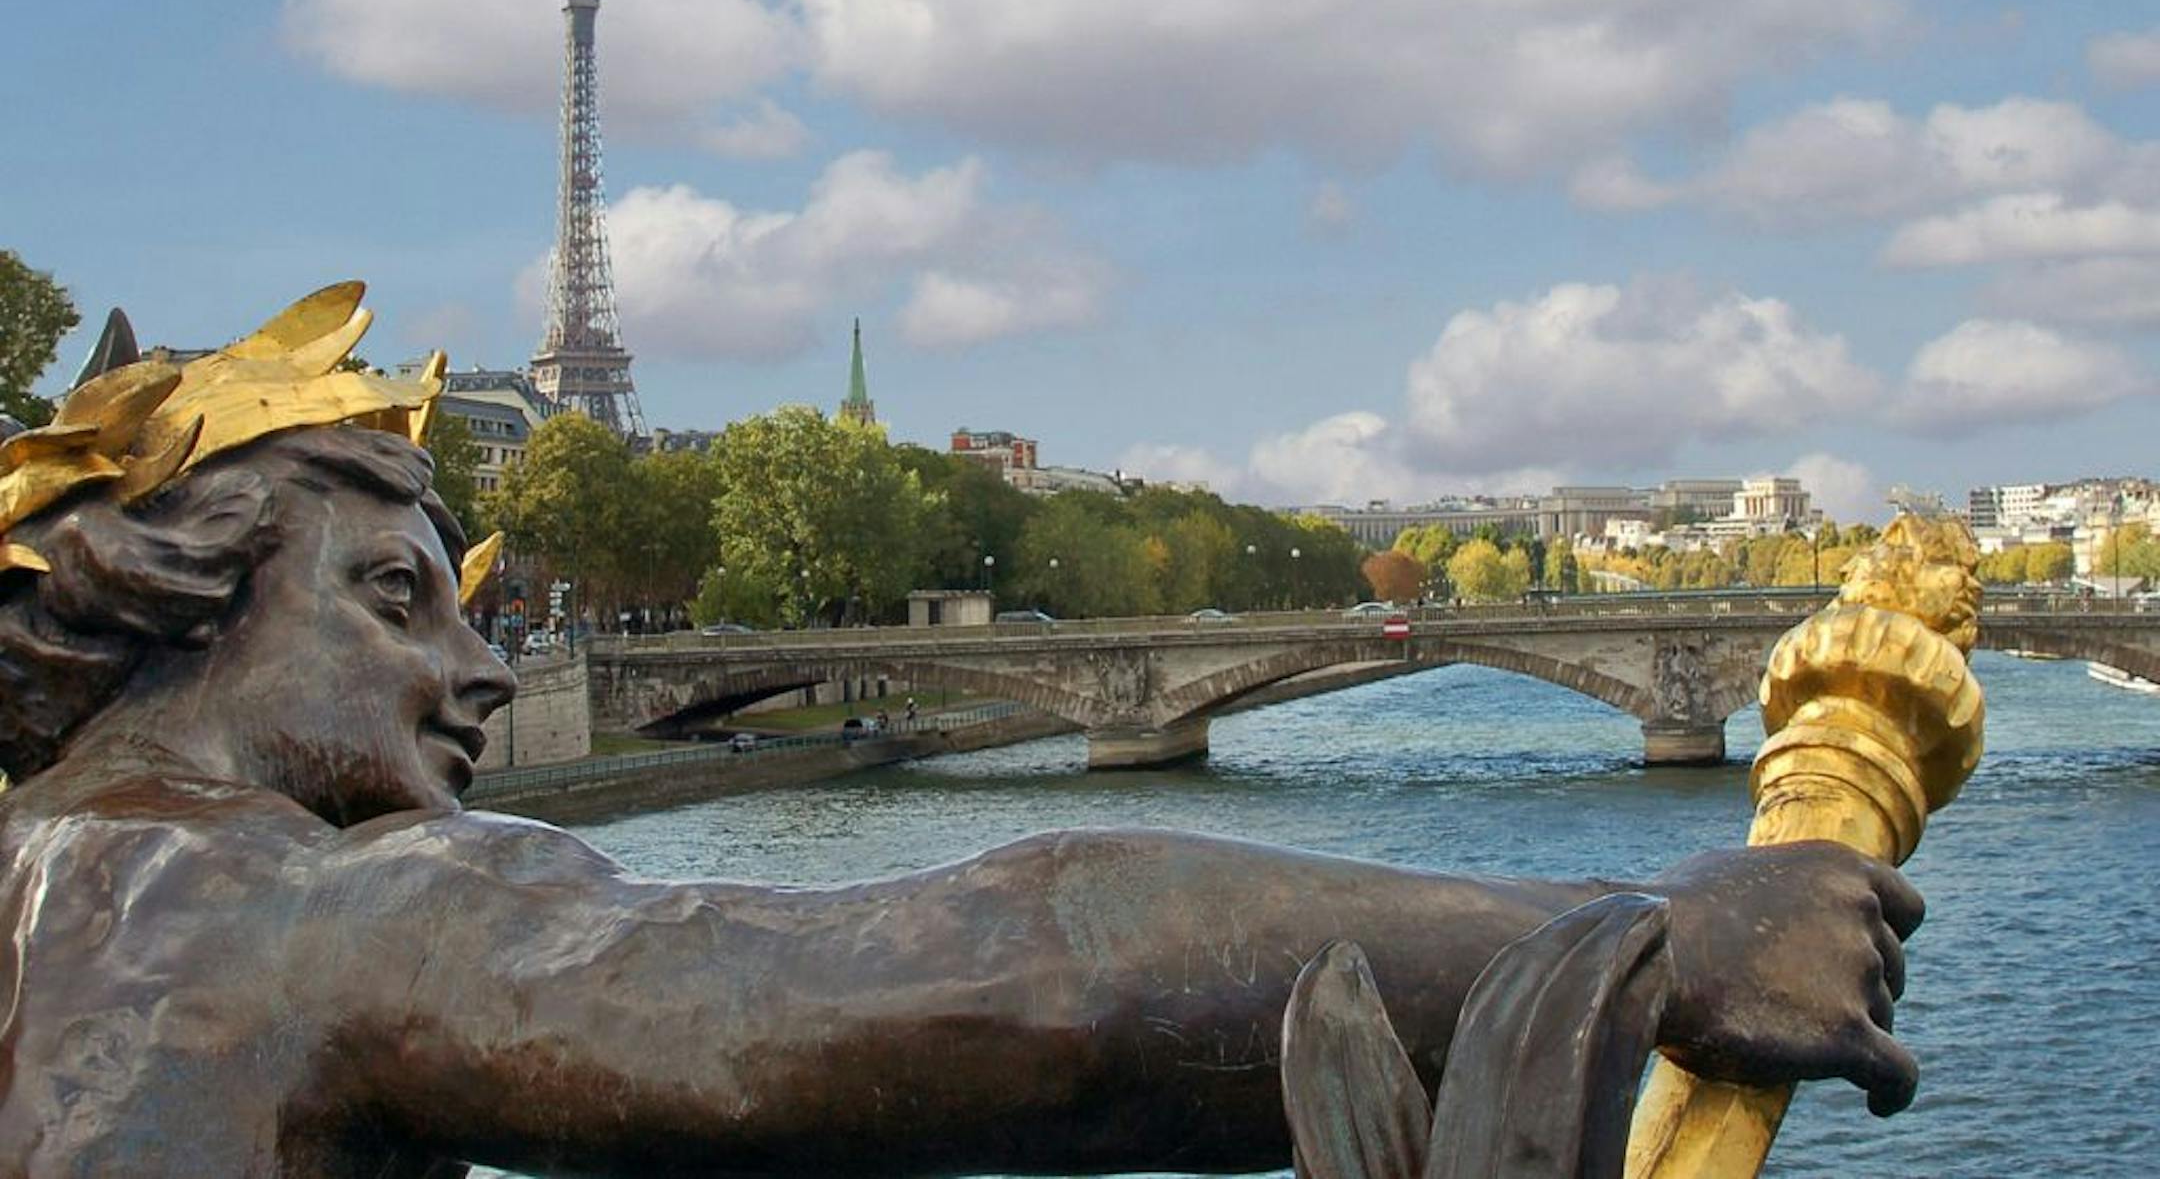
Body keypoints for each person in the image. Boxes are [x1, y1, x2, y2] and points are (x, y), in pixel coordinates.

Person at [0, 289, 1924, 1178]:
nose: (478, 669)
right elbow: (1034, 981)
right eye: (396, 598)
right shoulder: (298, 916)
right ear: (175, 601)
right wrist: (1649, 944)